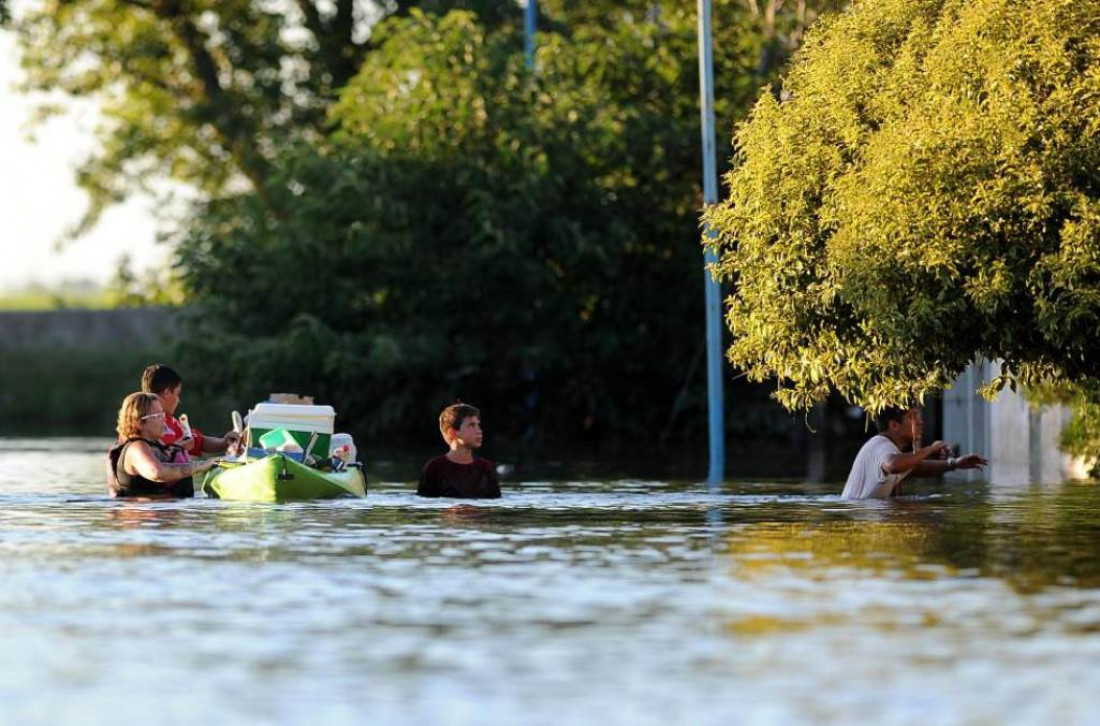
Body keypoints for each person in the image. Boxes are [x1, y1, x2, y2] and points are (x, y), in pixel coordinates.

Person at [842, 406, 988, 500]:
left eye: (919, 417)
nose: (920, 422)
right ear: (894, 425)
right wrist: (932, 448)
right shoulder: (881, 445)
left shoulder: (889, 448)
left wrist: (954, 463)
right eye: (912, 417)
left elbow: (915, 467)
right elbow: (893, 465)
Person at [107, 392, 217, 498]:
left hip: (171, 514)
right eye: (157, 415)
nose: (164, 419)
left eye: (162, 413)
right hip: (147, 516)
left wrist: (177, 448)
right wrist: (201, 466)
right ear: (139, 423)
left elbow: (166, 461)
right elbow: (157, 472)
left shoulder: (158, 445)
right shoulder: (136, 448)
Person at [140, 364, 239, 456]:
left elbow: (198, 442)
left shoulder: (172, 422)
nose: (178, 401)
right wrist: (177, 448)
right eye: (177, 394)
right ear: (166, 392)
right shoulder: (139, 424)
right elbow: (149, 462)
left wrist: (224, 442)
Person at [417, 403, 501, 499]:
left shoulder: (486, 468)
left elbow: (496, 503)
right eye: (472, 425)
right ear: (453, 432)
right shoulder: (434, 467)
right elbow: (424, 503)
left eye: (478, 425)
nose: (479, 431)